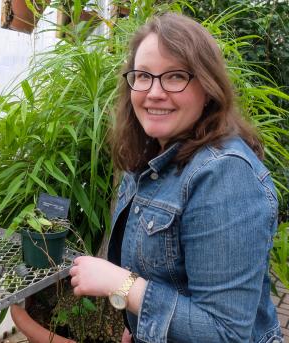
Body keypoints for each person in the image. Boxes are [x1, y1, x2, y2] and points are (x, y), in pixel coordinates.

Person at [69, 12, 283, 343]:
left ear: (208, 87)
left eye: (174, 76)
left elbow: (225, 334)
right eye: (143, 76)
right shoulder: (150, 155)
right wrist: (135, 322)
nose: (153, 92)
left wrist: (122, 286)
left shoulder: (224, 175)